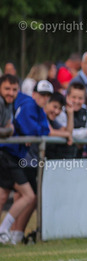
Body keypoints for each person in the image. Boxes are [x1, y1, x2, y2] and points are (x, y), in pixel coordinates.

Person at [0, 75, 49, 245]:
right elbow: (26, 130)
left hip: (10, 154)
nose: (11, 93)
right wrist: (13, 131)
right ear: (34, 94)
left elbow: (43, 131)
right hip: (7, 154)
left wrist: (15, 130)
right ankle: (3, 229)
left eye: (14, 90)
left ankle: (6, 231)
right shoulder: (23, 105)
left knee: (3, 195)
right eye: (7, 89)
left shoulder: (12, 105)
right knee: (28, 195)